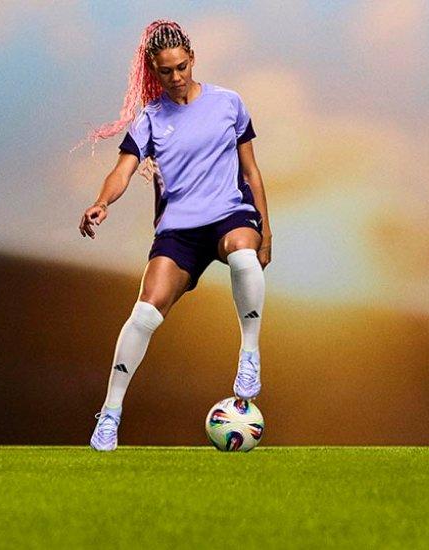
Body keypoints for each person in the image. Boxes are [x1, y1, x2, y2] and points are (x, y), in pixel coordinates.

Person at [75, 19, 273, 451]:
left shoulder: (229, 103)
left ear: (192, 59)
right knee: (144, 313)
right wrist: (102, 203)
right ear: (154, 71)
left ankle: (249, 355)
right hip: (179, 229)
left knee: (242, 256)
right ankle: (110, 414)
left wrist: (266, 230)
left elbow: (251, 171)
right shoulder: (150, 119)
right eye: (166, 71)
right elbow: (123, 170)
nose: (176, 77)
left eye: (182, 67)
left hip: (228, 215)